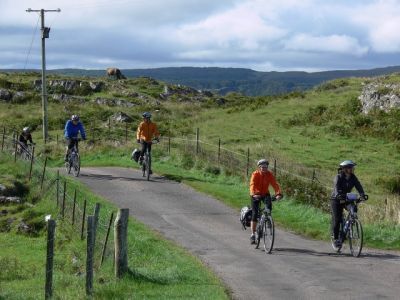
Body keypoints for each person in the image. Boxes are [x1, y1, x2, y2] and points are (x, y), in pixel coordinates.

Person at [331, 160, 366, 249]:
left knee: (353, 210)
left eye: (352, 168)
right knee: (337, 219)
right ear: (345, 169)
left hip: (346, 199)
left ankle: (348, 227)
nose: (352, 169)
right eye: (350, 168)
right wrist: (338, 194)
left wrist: (362, 194)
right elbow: (336, 187)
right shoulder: (338, 177)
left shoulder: (353, 177)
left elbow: (358, 186)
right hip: (336, 200)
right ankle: (336, 239)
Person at [249, 159, 283, 244]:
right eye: (262, 167)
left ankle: (268, 219)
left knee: (269, 207)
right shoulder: (255, 174)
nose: (264, 168)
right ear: (259, 167)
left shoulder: (269, 174)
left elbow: (275, 184)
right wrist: (254, 194)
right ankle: (253, 234)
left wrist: (278, 194)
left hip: (265, 194)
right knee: (255, 214)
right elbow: (252, 185)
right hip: (255, 194)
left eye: (266, 167)